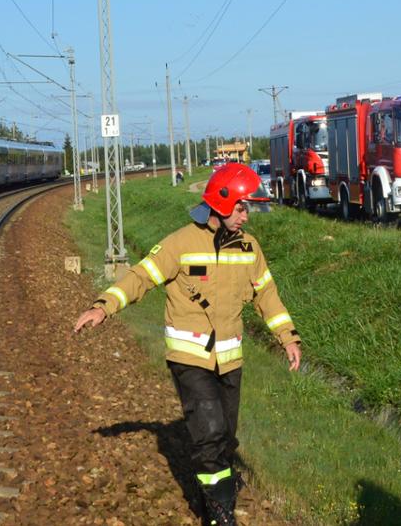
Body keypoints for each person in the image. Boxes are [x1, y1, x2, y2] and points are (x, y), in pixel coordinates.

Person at [73, 162, 302, 526]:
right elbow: (140, 277)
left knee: (224, 441)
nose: (246, 216)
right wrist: (104, 307)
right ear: (222, 203)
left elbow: (267, 295)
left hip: (229, 360)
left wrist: (288, 337)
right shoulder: (180, 243)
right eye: (242, 208)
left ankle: (209, 497)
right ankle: (221, 515)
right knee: (210, 436)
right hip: (190, 359)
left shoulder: (249, 248)